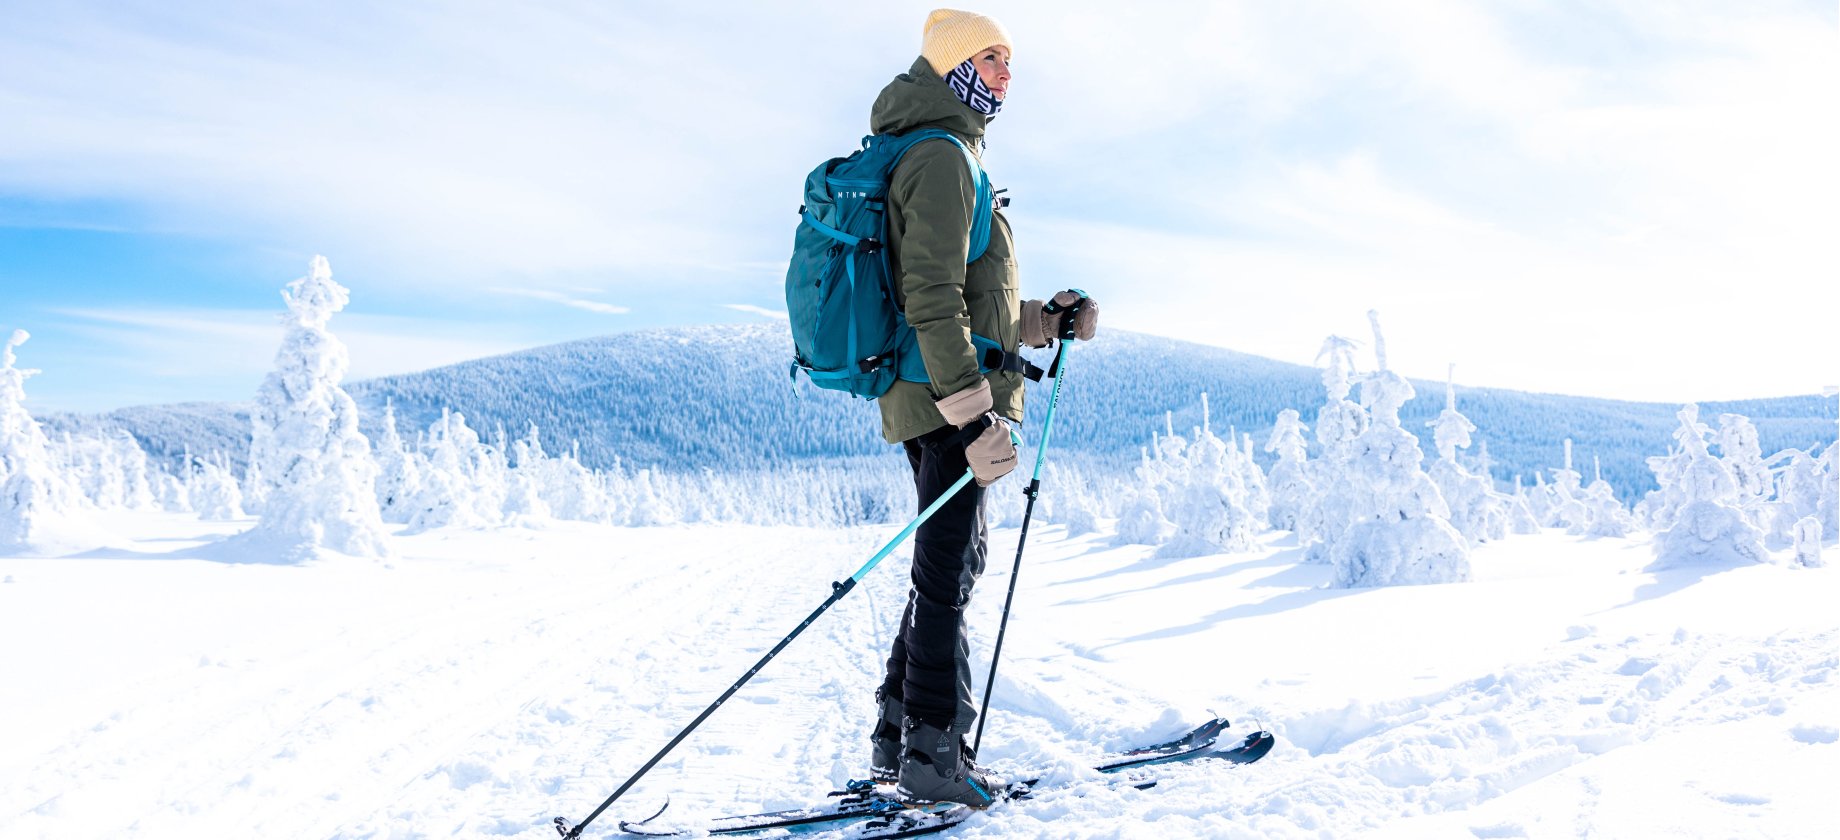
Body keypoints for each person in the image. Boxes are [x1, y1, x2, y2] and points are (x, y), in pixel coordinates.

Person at [865, 9, 1099, 807]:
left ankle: (898, 737)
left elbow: (970, 303)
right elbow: (930, 299)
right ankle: (933, 757)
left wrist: (1045, 319)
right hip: (943, 401)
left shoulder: (948, 152)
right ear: (952, 66)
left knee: (947, 566)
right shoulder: (939, 156)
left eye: (1009, 60)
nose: (1006, 73)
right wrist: (971, 416)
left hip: (937, 389)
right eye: (991, 58)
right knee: (946, 578)